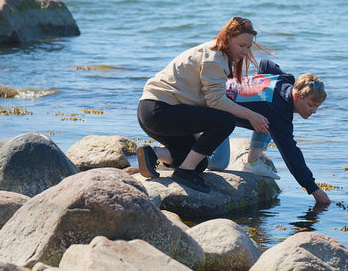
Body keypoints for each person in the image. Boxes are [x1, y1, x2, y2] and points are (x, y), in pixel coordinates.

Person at [136, 17, 270, 193]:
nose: (245, 51)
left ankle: (152, 154)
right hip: (159, 110)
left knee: (200, 162)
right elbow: (215, 101)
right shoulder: (215, 57)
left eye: (248, 47)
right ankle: (184, 173)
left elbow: (196, 101)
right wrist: (251, 115)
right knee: (226, 121)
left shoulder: (215, 52)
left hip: (151, 112)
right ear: (228, 38)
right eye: (241, 45)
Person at [215, 58, 331, 204]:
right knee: (217, 164)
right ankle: (186, 154)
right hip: (212, 108)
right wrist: (314, 189)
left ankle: (252, 163)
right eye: (310, 105)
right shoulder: (280, 111)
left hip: (222, 94)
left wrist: (256, 88)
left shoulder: (285, 80)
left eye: (317, 107)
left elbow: (265, 63)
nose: (314, 111)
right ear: (296, 95)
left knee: (266, 117)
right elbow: (291, 154)